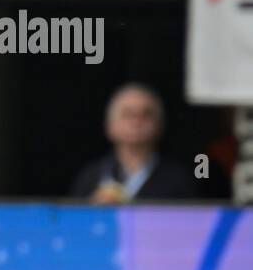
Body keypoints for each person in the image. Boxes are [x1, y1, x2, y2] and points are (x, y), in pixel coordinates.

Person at [70, 83, 198, 203]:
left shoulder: (178, 180)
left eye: (147, 114)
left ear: (160, 126)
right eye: (128, 114)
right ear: (110, 126)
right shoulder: (90, 177)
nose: (137, 121)